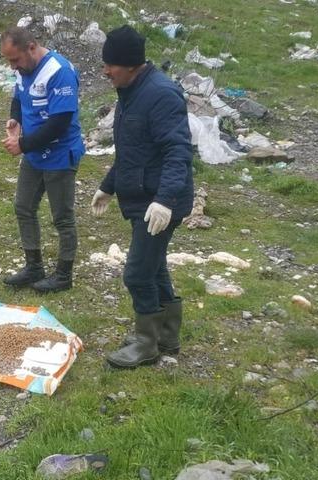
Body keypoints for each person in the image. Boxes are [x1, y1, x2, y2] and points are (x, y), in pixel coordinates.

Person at [90, 26, 194, 368]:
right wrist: (109, 185)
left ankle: (146, 344)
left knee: (136, 273)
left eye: (112, 65)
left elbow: (178, 151)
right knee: (154, 268)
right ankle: (167, 336)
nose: (105, 71)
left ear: (132, 64)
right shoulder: (130, 91)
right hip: (140, 197)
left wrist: (165, 200)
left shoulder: (161, 94)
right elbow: (131, 151)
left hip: (160, 202)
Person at [0, 27, 85, 293]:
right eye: (9, 61)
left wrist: (22, 144)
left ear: (32, 47)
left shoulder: (59, 72)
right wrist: (16, 119)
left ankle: (63, 275)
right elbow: (19, 95)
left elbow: (60, 123)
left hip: (60, 154)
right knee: (23, 207)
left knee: (62, 218)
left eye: (15, 60)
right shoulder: (23, 69)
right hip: (35, 154)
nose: (13, 66)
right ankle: (34, 266)